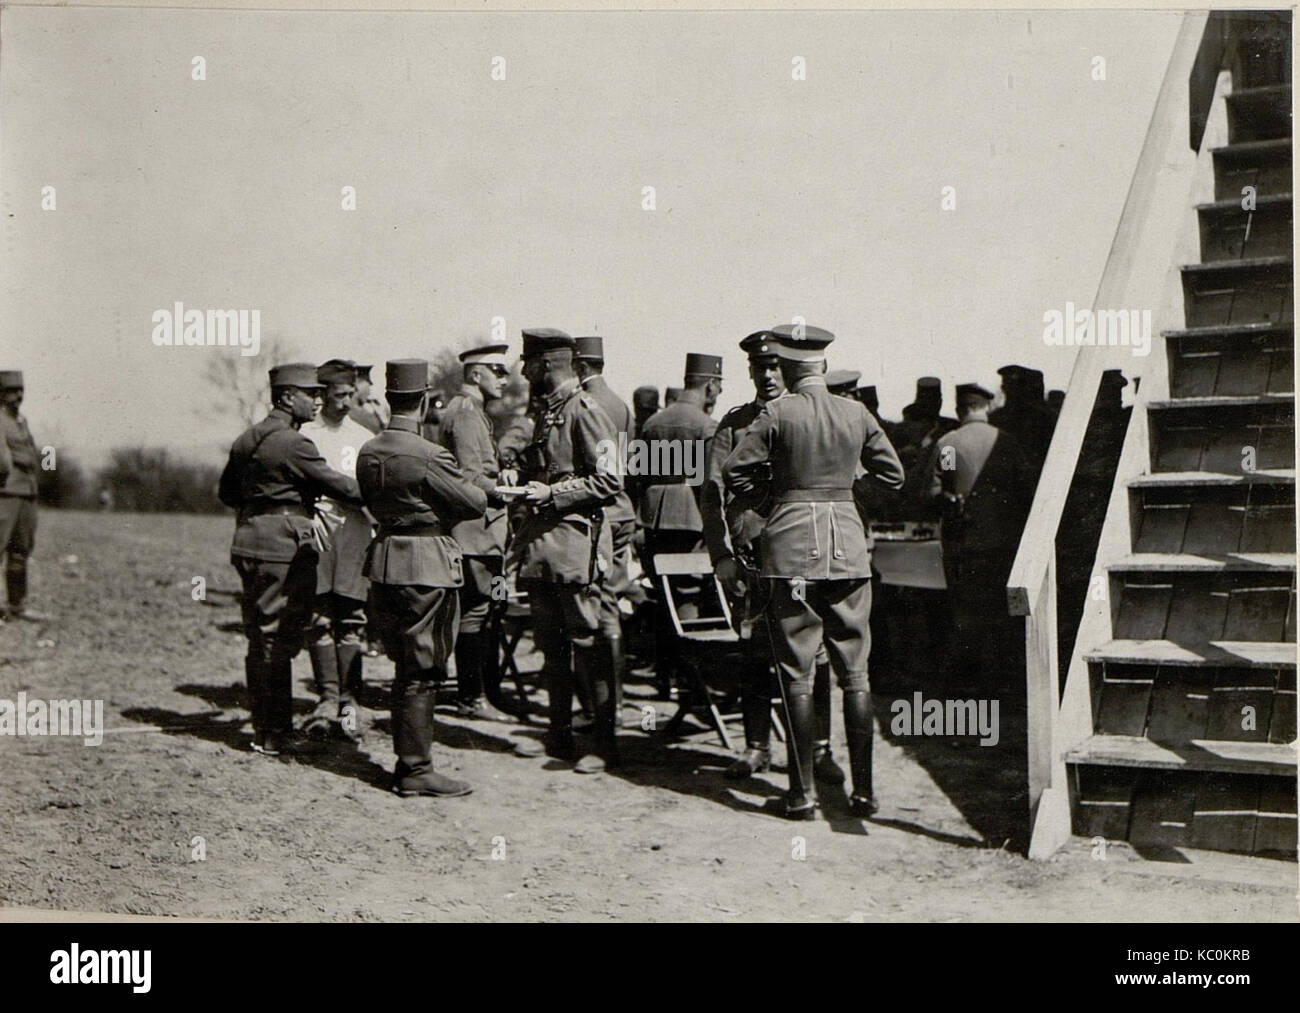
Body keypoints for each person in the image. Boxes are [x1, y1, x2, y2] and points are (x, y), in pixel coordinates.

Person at [723, 324, 904, 820]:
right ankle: (864, 794)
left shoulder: (778, 413)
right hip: (847, 551)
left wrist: (778, 505)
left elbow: (734, 472)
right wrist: (847, 500)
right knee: (856, 673)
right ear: (823, 365)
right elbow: (893, 475)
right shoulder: (856, 413)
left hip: (790, 555)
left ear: (785, 367)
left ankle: (801, 795)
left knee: (796, 673)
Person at [703, 331, 843, 782]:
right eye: (759, 368)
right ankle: (756, 746)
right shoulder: (734, 425)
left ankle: (820, 750)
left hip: (804, 558)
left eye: (775, 367)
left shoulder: (810, 418)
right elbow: (712, 494)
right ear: (749, 372)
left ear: (790, 369)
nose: (767, 376)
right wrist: (721, 555)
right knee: (755, 653)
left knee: (815, 654)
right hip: (753, 561)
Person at [357, 359, 488, 797]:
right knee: (425, 668)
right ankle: (415, 769)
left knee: (404, 666)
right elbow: (473, 503)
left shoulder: (368, 450)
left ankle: (410, 764)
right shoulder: (429, 454)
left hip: (384, 560)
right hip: (427, 564)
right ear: (426, 399)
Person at [218, 363, 364, 756]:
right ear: (286, 397)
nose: (318, 400)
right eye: (310, 393)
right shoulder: (295, 443)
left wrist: (265, 500)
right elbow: (341, 487)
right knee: (277, 638)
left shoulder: (247, 438)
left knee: (259, 635)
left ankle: (265, 725)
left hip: (249, 539)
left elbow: (228, 494)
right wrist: (385, 488)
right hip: (282, 546)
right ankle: (274, 733)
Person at [507, 328, 623, 772]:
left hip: (575, 544)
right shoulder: (548, 411)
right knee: (551, 643)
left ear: (548, 364)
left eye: (529, 363)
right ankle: (558, 735)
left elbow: (610, 479)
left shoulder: (585, 410)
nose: (524, 372)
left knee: (588, 641)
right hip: (544, 546)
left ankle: (603, 744)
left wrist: (553, 494)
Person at [930, 383, 1033, 694]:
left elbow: (937, 491)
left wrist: (951, 497)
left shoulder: (950, 444)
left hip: (964, 544)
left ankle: (969, 686)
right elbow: (1027, 491)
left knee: (966, 616)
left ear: (960, 409)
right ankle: (1006, 683)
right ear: (987, 407)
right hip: (1004, 545)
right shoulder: (1008, 443)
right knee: (1004, 614)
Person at [637, 353, 722, 697]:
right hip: (690, 517)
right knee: (688, 594)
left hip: (653, 516)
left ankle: (664, 677)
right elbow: (710, 484)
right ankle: (691, 681)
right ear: (710, 386)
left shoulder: (652, 423)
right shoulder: (706, 426)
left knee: (662, 594)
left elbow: (639, 476)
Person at [299, 360, 376, 742]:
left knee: (351, 617)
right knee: (318, 616)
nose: (346, 402)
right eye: (338, 395)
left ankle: (350, 701)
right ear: (323, 395)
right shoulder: (305, 434)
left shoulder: (364, 436)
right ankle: (327, 698)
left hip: (354, 532)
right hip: (317, 532)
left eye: (350, 394)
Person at [438, 344, 515, 720]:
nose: (504, 379)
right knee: (476, 611)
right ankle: (473, 697)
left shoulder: (472, 411)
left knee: (488, 610)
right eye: (497, 371)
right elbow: (470, 477)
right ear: (475, 373)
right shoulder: (467, 414)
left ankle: (486, 692)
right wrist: (507, 489)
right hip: (475, 533)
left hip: (484, 532)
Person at [574, 336, 636, 726]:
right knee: (610, 601)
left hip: (599, 514)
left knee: (597, 608)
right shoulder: (620, 404)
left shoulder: (583, 404)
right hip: (622, 510)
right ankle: (616, 701)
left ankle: (605, 707)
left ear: (579, 366)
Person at [0, 370, 45, 621]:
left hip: (26, 492)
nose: (18, 396)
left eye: (21, 391)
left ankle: (16, 606)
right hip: (5, 492)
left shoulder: (21, 421)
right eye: (11, 391)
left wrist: (46, 468)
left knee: (21, 550)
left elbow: (33, 455)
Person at [990, 364, 1055, 475]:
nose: (1006, 391)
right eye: (1005, 387)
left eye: (1009, 387)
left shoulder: (998, 417)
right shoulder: (1049, 417)